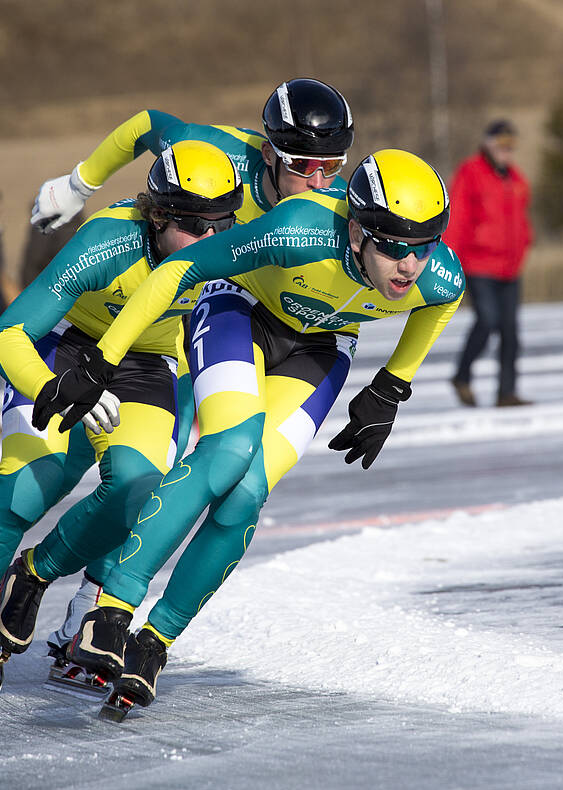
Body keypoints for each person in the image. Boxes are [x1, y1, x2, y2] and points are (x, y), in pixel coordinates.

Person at [4, 148, 464, 711]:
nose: (409, 265)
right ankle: (113, 608)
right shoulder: (298, 230)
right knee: (228, 450)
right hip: (238, 312)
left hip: (319, 349)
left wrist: (391, 385)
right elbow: (179, 270)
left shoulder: (438, 273)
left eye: (423, 245)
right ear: (356, 230)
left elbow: (443, 302)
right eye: (392, 245)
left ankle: (154, 643)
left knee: (246, 495)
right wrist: (102, 361)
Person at [21, 77, 354, 662]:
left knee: (167, 472)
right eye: (306, 167)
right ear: (271, 154)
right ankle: (63, 593)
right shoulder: (218, 153)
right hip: (156, 318)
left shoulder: (333, 202)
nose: (321, 183)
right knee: (99, 464)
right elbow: (146, 122)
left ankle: (91, 610)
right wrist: (78, 184)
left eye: (334, 167)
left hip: (218, 328)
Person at [0, 141, 244, 675]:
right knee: (23, 491)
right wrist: (46, 386)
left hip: (146, 365)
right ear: (158, 216)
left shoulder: (229, 244)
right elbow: (11, 331)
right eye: (197, 227)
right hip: (66, 348)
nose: (212, 240)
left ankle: (35, 573)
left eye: (224, 224)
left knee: (139, 489)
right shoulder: (106, 242)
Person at [446, 120, 533, 407]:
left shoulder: (515, 178)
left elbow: (520, 219)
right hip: (478, 262)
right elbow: (456, 216)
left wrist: (525, 242)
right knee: (487, 320)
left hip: (509, 266)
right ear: (488, 143)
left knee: (510, 330)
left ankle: (506, 392)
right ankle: (462, 375)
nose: (505, 151)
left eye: (510, 146)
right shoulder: (470, 171)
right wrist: (449, 257)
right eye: (500, 144)